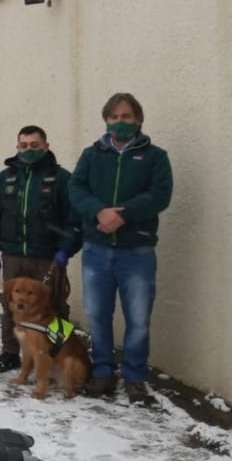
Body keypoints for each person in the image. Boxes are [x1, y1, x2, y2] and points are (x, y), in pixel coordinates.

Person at [69, 93, 172, 405]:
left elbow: (160, 195)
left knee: (138, 318)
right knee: (98, 316)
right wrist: (99, 211)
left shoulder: (155, 156)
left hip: (136, 252)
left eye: (126, 117)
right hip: (96, 251)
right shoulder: (92, 154)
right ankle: (102, 374)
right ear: (106, 120)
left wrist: (122, 214)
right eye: (114, 117)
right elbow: (76, 188)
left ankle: (135, 378)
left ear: (138, 120)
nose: (120, 122)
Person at [0, 125, 81, 373]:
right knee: (12, 306)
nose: (29, 150)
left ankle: (57, 354)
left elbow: (74, 219)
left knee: (54, 306)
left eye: (34, 145)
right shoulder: (5, 179)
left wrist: (65, 249)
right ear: (17, 148)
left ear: (46, 146)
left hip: (48, 256)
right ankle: (10, 352)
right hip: (14, 256)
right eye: (24, 145)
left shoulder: (61, 179)